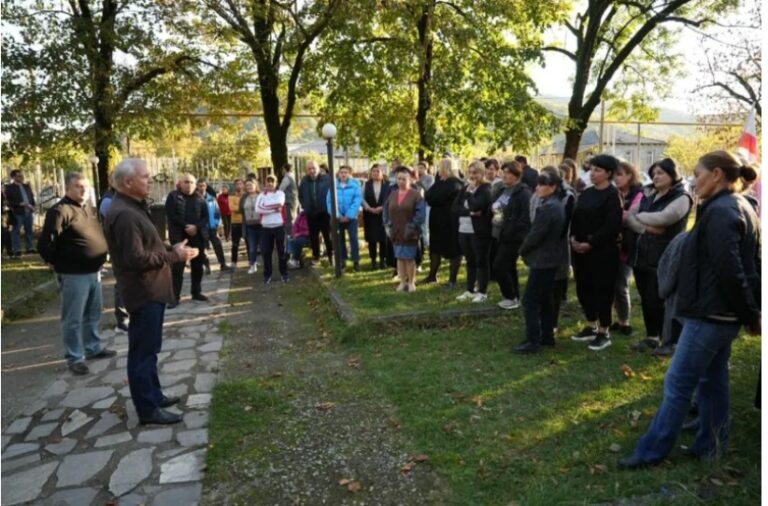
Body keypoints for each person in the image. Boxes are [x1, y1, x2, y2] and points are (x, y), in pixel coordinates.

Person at [618, 150, 760, 470]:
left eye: (697, 173)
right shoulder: (737, 206)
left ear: (717, 175)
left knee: (678, 383)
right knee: (713, 380)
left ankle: (651, 451)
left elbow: (734, 270)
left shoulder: (722, 210)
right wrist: (749, 313)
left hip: (710, 315)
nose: (694, 180)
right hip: (720, 315)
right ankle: (711, 444)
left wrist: (751, 314)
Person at [105, 158, 198, 425]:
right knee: (142, 352)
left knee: (150, 349)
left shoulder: (132, 207)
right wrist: (174, 257)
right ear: (127, 182)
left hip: (151, 291)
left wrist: (171, 250)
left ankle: (154, 395)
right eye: (145, 177)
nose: (150, 180)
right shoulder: (124, 213)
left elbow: (148, 248)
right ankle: (147, 409)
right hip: (143, 292)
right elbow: (135, 259)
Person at [38, 172, 116, 375]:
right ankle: (74, 357)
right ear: (67, 188)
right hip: (73, 275)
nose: (83, 190)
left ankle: (93, 348)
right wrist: (56, 263)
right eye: (78, 186)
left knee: (93, 313)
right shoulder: (60, 211)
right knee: (73, 318)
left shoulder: (87, 209)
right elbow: (45, 243)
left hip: (94, 272)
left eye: (85, 186)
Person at [626, 158, 692, 356]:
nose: (656, 176)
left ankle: (668, 341)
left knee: (661, 299)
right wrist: (648, 228)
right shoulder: (648, 193)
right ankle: (651, 337)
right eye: (654, 173)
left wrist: (640, 218)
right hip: (641, 255)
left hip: (665, 256)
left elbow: (664, 218)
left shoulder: (682, 197)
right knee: (647, 298)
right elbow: (630, 216)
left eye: (661, 173)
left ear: (673, 175)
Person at [569, 154, 622, 351]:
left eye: (598, 170)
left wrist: (591, 243)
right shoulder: (587, 193)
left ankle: (604, 331)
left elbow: (611, 225)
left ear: (608, 173)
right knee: (584, 288)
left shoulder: (612, 195)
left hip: (602, 252)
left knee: (602, 290)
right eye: (592, 169)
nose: (593, 173)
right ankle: (591, 324)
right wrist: (574, 238)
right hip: (580, 251)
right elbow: (576, 217)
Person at [513, 168, 566, 353]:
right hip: (550, 258)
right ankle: (546, 336)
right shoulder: (555, 204)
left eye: (542, 184)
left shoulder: (549, 207)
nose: (538, 187)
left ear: (553, 187)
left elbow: (535, 234)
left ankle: (533, 340)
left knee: (530, 300)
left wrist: (522, 250)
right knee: (545, 299)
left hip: (543, 258)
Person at [492, 161, 531, 310]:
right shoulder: (502, 189)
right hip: (499, 234)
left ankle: (510, 295)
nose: (505, 175)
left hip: (513, 236)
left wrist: (510, 228)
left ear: (516, 175)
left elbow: (525, 217)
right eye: (504, 172)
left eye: (508, 172)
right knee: (509, 267)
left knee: (499, 267)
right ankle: (514, 296)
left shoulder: (523, 193)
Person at [165, 174, 209, 307]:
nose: (189, 185)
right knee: (177, 268)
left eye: (191, 182)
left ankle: (196, 292)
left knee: (198, 266)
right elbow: (171, 216)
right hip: (179, 237)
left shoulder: (200, 197)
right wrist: (186, 226)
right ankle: (174, 297)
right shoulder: (173, 197)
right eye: (186, 182)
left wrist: (196, 227)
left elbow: (206, 217)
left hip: (197, 236)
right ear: (180, 183)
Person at [612, 160, 644, 336]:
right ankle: (610, 319)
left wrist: (615, 214)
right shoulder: (613, 193)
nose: (616, 179)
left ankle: (624, 321)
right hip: (610, 244)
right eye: (615, 175)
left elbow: (630, 217)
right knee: (609, 284)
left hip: (627, 245)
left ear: (630, 176)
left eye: (620, 175)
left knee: (621, 284)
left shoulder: (638, 194)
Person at [454, 161, 493, 303]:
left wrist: (471, 195)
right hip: (464, 229)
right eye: (470, 172)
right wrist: (470, 212)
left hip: (480, 230)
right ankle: (469, 289)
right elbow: (455, 208)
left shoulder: (485, 189)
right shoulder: (465, 189)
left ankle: (482, 291)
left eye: (475, 173)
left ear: (482, 173)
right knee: (470, 260)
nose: (472, 176)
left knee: (481, 261)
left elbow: (477, 204)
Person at [383, 166, 426, 292]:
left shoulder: (416, 195)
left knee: (409, 258)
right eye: (399, 179)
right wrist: (387, 224)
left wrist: (412, 226)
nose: (401, 181)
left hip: (410, 232)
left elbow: (421, 214)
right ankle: (402, 282)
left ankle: (411, 282)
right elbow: (385, 210)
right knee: (399, 257)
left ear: (410, 180)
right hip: (395, 231)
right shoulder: (392, 194)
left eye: (404, 179)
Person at [424, 158, 464, 286]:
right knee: (435, 249)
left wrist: (434, 198)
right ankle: (432, 275)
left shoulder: (454, 183)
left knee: (453, 250)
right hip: (438, 221)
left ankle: (452, 280)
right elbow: (428, 196)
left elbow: (434, 197)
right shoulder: (440, 182)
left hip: (451, 221)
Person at [98, 184, 130, 333]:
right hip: (120, 248)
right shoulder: (108, 201)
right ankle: (122, 320)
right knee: (122, 283)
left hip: (128, 245)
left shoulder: (123, 199)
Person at [552, 162, 577, 332]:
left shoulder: (568, 195)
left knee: (558, 276)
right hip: (546, 245)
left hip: (559, 242)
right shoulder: (541, 197)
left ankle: (562, 295)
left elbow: (566, 222)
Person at [326, 165, 362, 270]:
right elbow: (329, 201)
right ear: (338, 174)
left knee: (353, 239)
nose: (343, 174)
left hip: (351, 218)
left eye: (346, 172)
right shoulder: (333, 186)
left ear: (350, 174)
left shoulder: (355, 186)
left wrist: (348, 215)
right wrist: (338, 215)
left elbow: (357, 201)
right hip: (338, 218)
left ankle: (356, 261)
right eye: (341, 172)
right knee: (339, 239)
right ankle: (342, 261)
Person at [255, 174, 288, 283]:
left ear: (276, 183)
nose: (270, 184)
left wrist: (266, 206)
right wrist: (274, 209)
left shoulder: (281, 193)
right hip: (265, 227)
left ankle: (284, 274)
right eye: (268, 181)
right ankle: (267, 274)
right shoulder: (261, 195)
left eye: (272, 181)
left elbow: (280, 203)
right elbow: (258, 209)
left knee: (281, 252)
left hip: (279, 226)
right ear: (265, 183)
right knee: (266, 253)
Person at [299, 161, 333, 265]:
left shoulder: (327, 179)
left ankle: (332, 256)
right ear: (306, 170)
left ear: (318, 169)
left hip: (324, 212)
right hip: (311, 213)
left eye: (313, 168)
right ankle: (316, 256)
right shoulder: (304, 181)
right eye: (309, 169)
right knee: (314, 236)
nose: (312, 171)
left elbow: (332, 194)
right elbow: (300, 195)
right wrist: (305, 206)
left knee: (328, 235)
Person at [198, 179, 232, 274]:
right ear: (197, 187)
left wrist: (216, 223)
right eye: (200, 186)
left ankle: (223, 264)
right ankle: (207, 267)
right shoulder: (195, 199)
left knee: (218, 245)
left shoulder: (211, 198)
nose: (201, 188)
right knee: (204, 249)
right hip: (201, 228)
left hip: (212, 227)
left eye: (203, 185)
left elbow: (217, 212)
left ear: (206, 186)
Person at [362, 164, 392, 269]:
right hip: (370, 215)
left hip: (383, 215)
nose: (375, 173)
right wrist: (368, 208)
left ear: (382, 172)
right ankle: (373, 260)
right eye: (373, 171)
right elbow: (361, 198)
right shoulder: (366, 184)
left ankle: (383, 260)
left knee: (383, 238)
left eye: (378, 171)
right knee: (372, 239)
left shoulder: (388, 185)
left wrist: (383, 207)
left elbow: (391, 198)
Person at [5, 169, 36, 257]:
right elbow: (8, 202)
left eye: (21, 175)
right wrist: (20, 204)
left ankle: (30, 248)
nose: (21, 177)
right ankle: (17, 249)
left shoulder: (26, 186)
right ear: (13, 177)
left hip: (29, 212)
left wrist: (33, 206)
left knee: (29, 231)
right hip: (18, 213)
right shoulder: (9, 188)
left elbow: (31, 197)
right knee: (16, 231)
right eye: (19, 176)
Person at [240, 179, 261, 274]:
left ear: (256, 185)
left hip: (261, 226)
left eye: (250, 185)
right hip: (249, 226)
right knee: (252, 248)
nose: (249, 187)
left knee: (264, 247)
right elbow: (241, 210)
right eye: (247, 185)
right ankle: (253, 265)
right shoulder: (243, 198)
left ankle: (267, 265)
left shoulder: (261, 196)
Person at [279, 163, 299, 238]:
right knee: (293, 218)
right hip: (294, 200)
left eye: (283, 169)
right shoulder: (293, 176)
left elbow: (281, 189)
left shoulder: (287, 177)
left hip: (289, 201)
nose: (282, 171)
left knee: (289, 220)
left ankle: (290, 237)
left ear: (285, 169)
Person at [229, 179, 245, 266]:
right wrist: (242, 209)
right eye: (237, 184)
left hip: (245, 222)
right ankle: (233, 261)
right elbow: (232, 208)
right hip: (235, 222)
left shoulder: (246, 195)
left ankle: (251, 261)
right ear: (235, 186)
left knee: (248, 242)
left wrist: (238, 208)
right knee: (235, 243)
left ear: (243, 185)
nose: (239, 186)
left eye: (240, 184)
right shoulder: (231, 196)